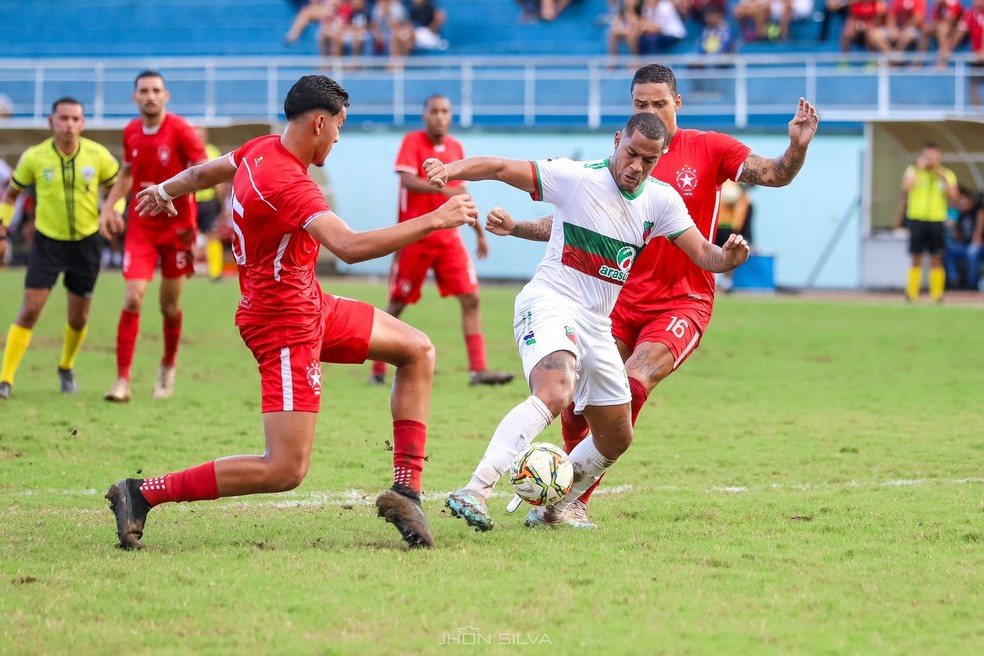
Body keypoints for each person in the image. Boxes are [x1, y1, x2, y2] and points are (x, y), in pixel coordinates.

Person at [105, 74, 479, 551]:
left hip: (308, 304)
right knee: (285, 468)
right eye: (340, 127)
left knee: (418, 349)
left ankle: (406, 491)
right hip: (283, 323)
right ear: (320, 123)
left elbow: (201, 174)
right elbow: (348, 246)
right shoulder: (290, 183)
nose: (340, 138)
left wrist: (165, 190)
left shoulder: (258, 149)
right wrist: (435, 218)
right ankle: (141, 493)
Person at [457, 63, 818, 529]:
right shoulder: (623, 158)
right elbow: (577, 223)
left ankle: (570, 498)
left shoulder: (708, 148)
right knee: (579, 405)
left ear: (677, 104)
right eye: (641, 104)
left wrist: (796, 147)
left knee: (631, 383)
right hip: (616, 300)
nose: (650, 111)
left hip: (681, 301)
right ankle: (554, 500)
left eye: (659, 104)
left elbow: (772, 174)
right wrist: (518, 228)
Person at [437, 112, 750, 532]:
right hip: (550, 303)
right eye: (631, 154)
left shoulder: (661, 200)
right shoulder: (575, 177)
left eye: (648, 160)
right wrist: (449, 170)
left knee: (617, 436)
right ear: (617, 141)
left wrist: (728, 258)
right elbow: (497, 166)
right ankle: (475, 489)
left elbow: (704, 255)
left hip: (598, 325)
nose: (636, 167)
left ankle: (552, 510)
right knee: (555, 391)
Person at [370, 95, 514, 387]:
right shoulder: (413, 141)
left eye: (445, 111)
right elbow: (408, 180)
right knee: (397, 303)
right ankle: (377, 369)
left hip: (448, 240)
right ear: (425, 115)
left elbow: (462, 194)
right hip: (416, 237)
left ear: (451, 116)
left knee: (471, 298)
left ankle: (478, 370)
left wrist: (478, 233)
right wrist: (443, 190)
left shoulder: (455, 147)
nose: (440, 116)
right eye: (434, 111)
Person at [98, 70, 209, 402]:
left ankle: (168, 364)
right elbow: (128, 174)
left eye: (156, 90)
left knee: (169, 306)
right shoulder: (131, 131)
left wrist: (168, 191)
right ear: (134, 97)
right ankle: (122, 381)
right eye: (143, 90)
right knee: (133, 297)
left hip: (179, 229)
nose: (150, 95)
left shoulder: (182, 131)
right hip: (142, 226)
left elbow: (204, 172)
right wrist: (109, 207)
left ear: (166, 96)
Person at [0, 97, 121, 400]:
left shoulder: (98, 155)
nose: (69, 125)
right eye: (63, 118)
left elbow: (116, 188)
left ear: (82, 123)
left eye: (75, 119)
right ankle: (5, 379)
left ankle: (66, 366)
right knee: (29, 311)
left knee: (78, 318)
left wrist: (113, 210)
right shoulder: (34, 157)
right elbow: (11, 195)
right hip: (47, 243)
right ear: (51, 122)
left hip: (87, 243)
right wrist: (2, 230)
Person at [894, 142, 958, 302]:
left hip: (936, 219)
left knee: (937, 257)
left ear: (939, 158)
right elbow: (906, 187)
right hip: (917, 218)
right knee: (916, 256)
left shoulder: (946, 174)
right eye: (928, 157)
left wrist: (943, 178)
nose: (931, 160)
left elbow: (954, 196)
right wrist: (918, 169)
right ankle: (912, 294)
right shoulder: (914, 171)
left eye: (934, 157)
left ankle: (937, 295)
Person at [194, 127, 229, 282]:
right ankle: (182, 269)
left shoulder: (211, 152)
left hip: (207, 202)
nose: (198, 138)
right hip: (188, 200)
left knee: (213, 235)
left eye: (200, 135)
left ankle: (215, 273)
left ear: (205, 136)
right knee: (182, 235)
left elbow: (218, 181)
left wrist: (222, 205)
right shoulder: (184, 150)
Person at [944, 186, 983, 289]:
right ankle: (954, 281)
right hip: (965, 245)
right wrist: (952, 227)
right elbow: (958, 236)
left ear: (971, 199)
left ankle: (972, 285)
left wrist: (977, 236)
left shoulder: (977, 211)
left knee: (972, 251)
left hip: (979, 246)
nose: (962, 202)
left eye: (965, 199)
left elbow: (980, 223)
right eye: (961, 200)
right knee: (948, 249)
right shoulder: (961, 214)